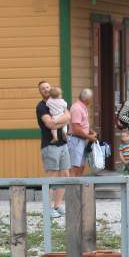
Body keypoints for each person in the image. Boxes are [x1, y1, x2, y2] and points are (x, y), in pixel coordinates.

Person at [38, 82, 70, 215]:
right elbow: (49, 124)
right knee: (52, 176)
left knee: (65, 174)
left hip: (63, 144)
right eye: (43, 88)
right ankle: (48, 208)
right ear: (40, 92)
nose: (46, 89)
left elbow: (69, 116)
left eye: (47, 87)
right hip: (50, 145)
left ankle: (57, 206)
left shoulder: (59, 101)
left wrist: (57, 121)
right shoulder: (41, 107)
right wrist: (63, 121)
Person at [68, 88, 95, 175]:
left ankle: (78, 184)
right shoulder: (77, 108)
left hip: (81, 140)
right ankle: (72, 184)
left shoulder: (82, 107)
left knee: (81, 166)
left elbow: (82, 124)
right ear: (87, 99)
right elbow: (76, 129)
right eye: (91, 98)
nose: (92, 100)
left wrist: (90, 131)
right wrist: (89, 137)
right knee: (75, 167)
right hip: (76, 140)